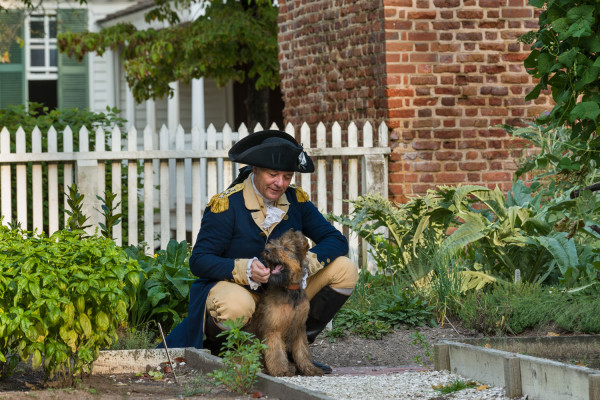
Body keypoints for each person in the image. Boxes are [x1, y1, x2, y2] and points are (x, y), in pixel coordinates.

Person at [162, 129, 358, 374]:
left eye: (287, 176)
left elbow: (335, 240)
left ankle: (291, 351)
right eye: (273, 174)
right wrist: (243, 269)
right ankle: (234, 356)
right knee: (236, 305)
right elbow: (199, 261)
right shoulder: (227, 205)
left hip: (282, 295)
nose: (280, 183)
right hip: (239, 289)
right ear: (254, 169)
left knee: (345, 269)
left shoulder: (296, 200)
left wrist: (306, 262)